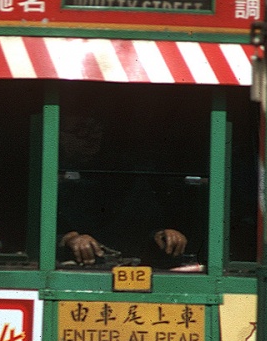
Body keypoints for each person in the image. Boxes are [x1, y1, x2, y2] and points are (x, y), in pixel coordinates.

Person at [57, 107, 190, 268]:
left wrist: (162, 234)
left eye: (96, 130)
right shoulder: (45, 176)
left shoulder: (120, 176)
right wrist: (68, 239)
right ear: (59, 136)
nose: (91, 138)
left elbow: (136, 226)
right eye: (80, 131)